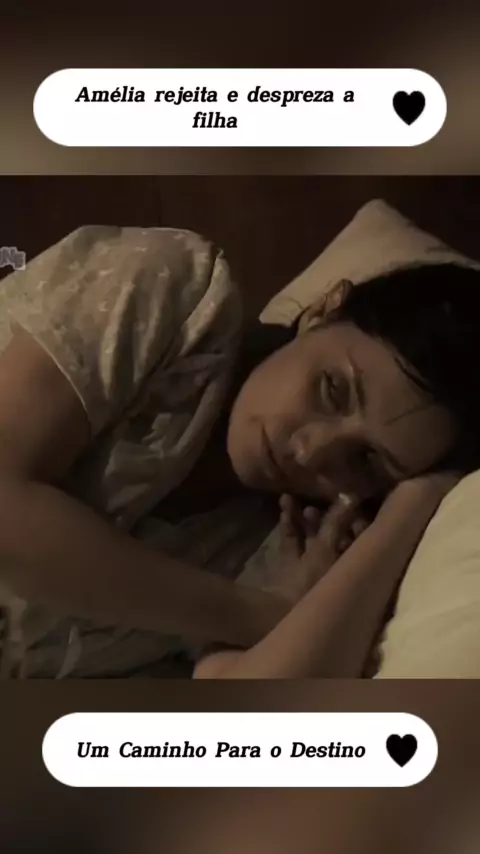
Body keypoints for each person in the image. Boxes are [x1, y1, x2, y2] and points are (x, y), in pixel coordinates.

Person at [0, 224, 477, 678]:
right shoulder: (176, 297)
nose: (312, 453)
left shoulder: (286, 538)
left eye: (366, 460)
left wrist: (417, 501)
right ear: (324, 310)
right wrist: (257, 613)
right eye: (332, 390)